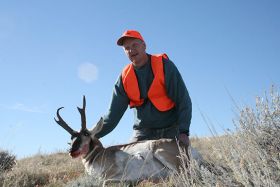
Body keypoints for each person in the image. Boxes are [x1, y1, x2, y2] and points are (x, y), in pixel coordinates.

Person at [95, 30, 192, 148]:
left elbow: (183, 99)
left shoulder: (165, 65)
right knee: (129, 162)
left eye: (135, 45)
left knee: (183, 162)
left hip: (171, 128)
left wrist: (183, 132)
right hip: (143, 132)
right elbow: (112, 115)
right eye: (127, 48)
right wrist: (92, 135)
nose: (131, 50)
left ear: (144, 46)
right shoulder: (124, 77)